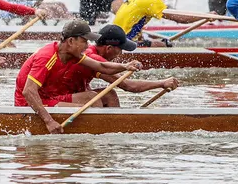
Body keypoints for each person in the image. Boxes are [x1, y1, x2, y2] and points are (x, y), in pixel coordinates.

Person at [15, 20, 143, 134]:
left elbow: (102, 67)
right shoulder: (47, 57)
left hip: (50, 97)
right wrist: (49, 121)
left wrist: (126, 66)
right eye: (84, 41)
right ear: (71, 41)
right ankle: (101, 133)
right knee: (91, 99)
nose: (87, 46)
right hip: (29, 104)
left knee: (101, 95)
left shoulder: (74, 54)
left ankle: (114, 129)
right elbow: (28, 91)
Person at [61, 25, 179, 106]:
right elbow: (128, 86)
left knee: (109, 95)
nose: (121, 53)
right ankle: (109, 129)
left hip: (70, 94)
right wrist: (161, 83)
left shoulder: (93, 53)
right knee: (97, 97)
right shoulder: (93, 58)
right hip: (58, 98)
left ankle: (111, 129)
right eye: (120, 49)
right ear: (109, 48)